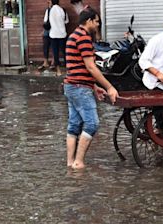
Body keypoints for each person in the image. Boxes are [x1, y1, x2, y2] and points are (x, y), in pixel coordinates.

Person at [64, 7, 119, 170]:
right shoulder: (84, 38)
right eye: (96, 22)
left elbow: (77, 68)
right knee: (92, 123)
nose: (97, 25)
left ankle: (70, 162)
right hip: (79, 88)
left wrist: (94, 87)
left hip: (71, 86)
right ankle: (79, 162)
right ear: (89, 21)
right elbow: (91, 67)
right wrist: (109, 87)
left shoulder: (73, 36)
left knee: (74, 125)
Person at [46, 0, 69, 76]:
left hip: (53, 34)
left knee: (55, 53)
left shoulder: (49, 10)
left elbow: (46, 21)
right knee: (65, 52)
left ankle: (58, 71)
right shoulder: (63, 10)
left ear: (51, 2)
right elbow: (66, 21)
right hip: (62, 34)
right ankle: (68, 70)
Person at [38, 0, 53, 71]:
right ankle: (49, 61)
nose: (48, 4)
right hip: (52, 30)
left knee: (47, 46)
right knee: (50, 46)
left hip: (50, 30)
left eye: (49, 2)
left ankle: (47, 62)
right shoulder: (61, 10)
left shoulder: (49, 10)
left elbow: (45, 21)